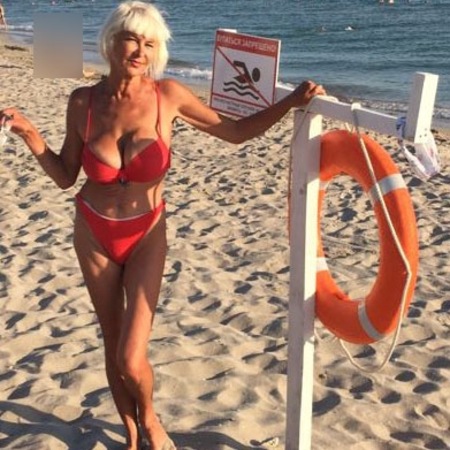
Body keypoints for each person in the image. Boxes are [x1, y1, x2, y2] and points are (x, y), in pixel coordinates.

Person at [0, 1, 325, 449]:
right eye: (131, 39)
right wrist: (30, 135)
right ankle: (132, 434)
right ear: (111, 42)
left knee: (131, 357)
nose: (140, 51)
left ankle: (150, 418)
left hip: (146, 232)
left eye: (150, 44)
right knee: (112, 340)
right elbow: (65, 176)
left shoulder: (168, 95)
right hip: (93, 232)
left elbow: (234, 133)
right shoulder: (83, 102)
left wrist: (290, 102)